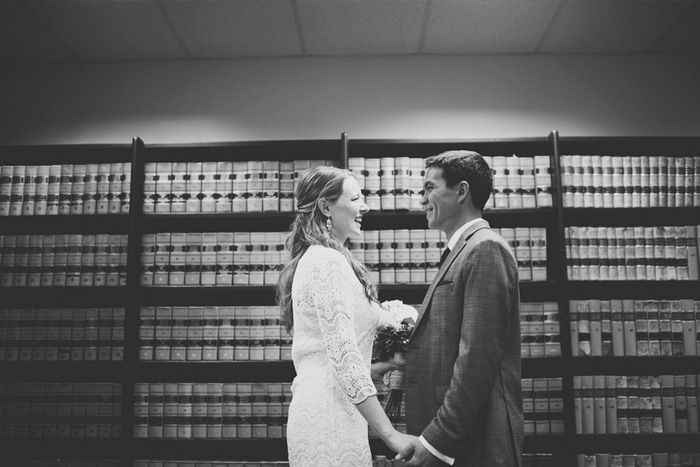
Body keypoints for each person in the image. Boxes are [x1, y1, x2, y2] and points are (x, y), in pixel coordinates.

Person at [277, 165, 416, 467]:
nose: (365, 205)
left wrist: (381, 366)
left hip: (336, 409)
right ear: (326, 206)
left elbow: (328, 354)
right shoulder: (326, 261)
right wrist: (390, 434)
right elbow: (343, 357)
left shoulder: (321, 257)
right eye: (355, 199)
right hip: (328, 416)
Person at [397, 151, 523, 467]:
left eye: (429, 188)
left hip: (474, 445)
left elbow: (477, 360)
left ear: (462, 191)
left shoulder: (485, 248)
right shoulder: (465, 249)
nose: (421, 199)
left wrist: (437, 442)